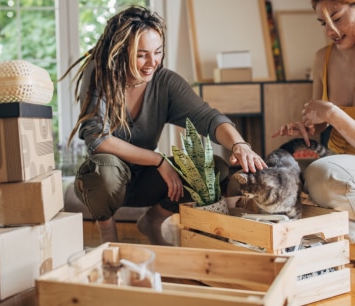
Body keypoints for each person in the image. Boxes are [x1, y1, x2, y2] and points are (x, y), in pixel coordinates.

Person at [62, 5, 266, 245]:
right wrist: (158, 160)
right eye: (141, 54)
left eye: (157, 52)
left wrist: (240, 145)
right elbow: (97, 139)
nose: (152, 62)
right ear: (120, 53)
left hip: (146, 181)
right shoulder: (100, 74)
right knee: (103, 169)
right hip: (104, 183)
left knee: (213, 169)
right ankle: (108, 234)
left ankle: (152, 220)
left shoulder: (165, 82)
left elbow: (209, 118)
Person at [273, 0, 355, 241]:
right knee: (285, 175)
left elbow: (331, 114)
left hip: (338, 170)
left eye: (337, 19)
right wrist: (309, 125)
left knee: (321, 175)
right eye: (323, 23)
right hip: (341, 163)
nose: (331, 31)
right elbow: (322, 122)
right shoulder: (323, 58)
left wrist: (330, 112)